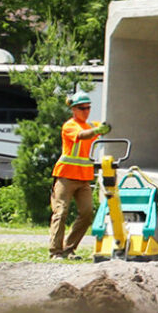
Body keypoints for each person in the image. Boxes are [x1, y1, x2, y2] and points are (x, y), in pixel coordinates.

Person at [49, 87, 109, 259]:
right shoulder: (70, 126)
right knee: (60, 212)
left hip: (84, 178)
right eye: (82, 108)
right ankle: (55, 252)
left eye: (88, 107)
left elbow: (105, 127)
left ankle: (69, 248)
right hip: (66, 176)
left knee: (87, 213)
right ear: (74, 109)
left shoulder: (91, 125)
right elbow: (83, 135)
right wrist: (98, 131)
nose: (86, 111)